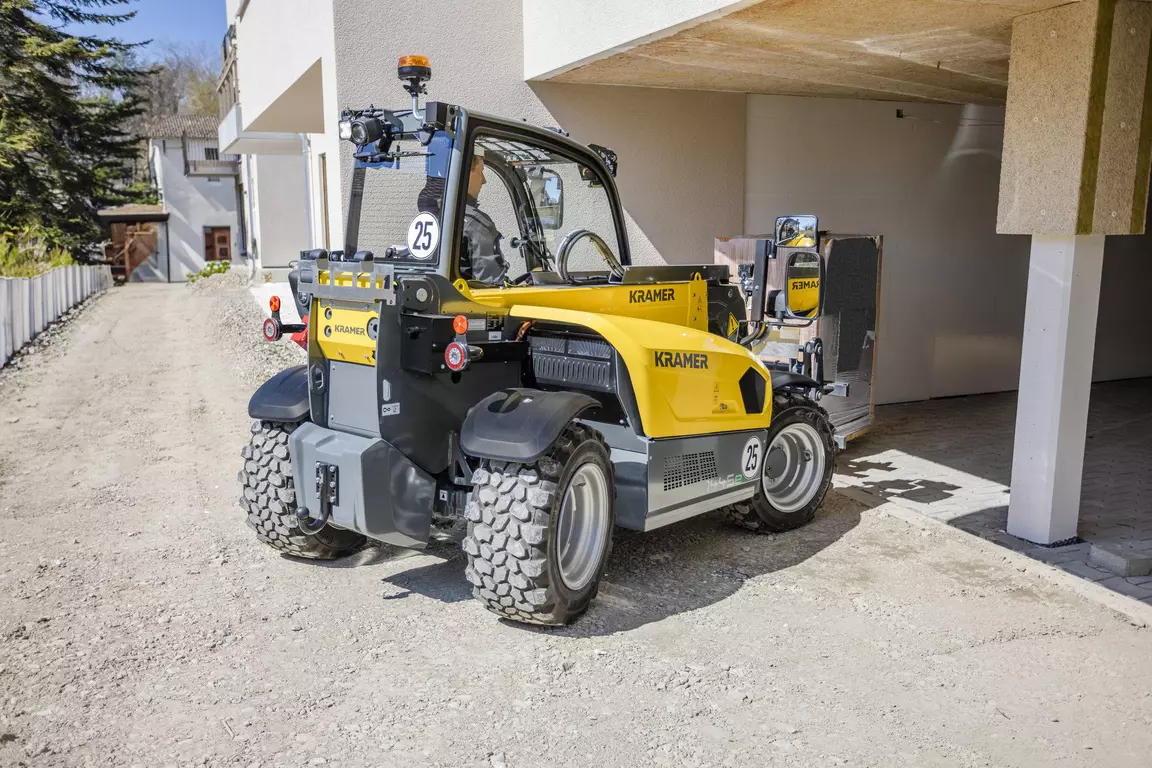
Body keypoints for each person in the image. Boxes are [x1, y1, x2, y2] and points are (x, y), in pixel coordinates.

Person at [460, 152, 509, 284]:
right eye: (480, 171)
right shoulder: (474, 224)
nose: (484, 180)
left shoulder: (436, 216)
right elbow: (491, 285)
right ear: (466, 173)